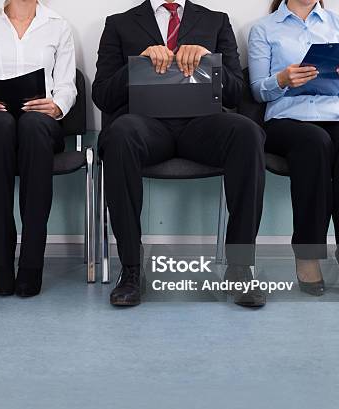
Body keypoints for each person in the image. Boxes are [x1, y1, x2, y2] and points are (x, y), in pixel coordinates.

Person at [93, 0, 267, 307]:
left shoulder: (216, 20)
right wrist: (139, 62)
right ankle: (132, 269)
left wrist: (207, 60)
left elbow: (236, 92)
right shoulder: (119, 23)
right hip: (145, 126)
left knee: (247, 133)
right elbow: (103, 95)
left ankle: (240, 268)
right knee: (119, 135)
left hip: (202, 125)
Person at [248, 0, 339, 296]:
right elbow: (256, 89)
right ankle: (307, 253)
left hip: (332, 116)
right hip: (285, 121)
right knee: (314, 142)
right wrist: (281, 80)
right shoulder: (264, 29)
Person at [0, 0, 77, 297]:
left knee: (32, 125)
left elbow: (67, 85)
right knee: (1, 125)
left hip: (40, 125)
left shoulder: (58, 26)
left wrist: (56, 105)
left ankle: (31, 264)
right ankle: (0, 263)